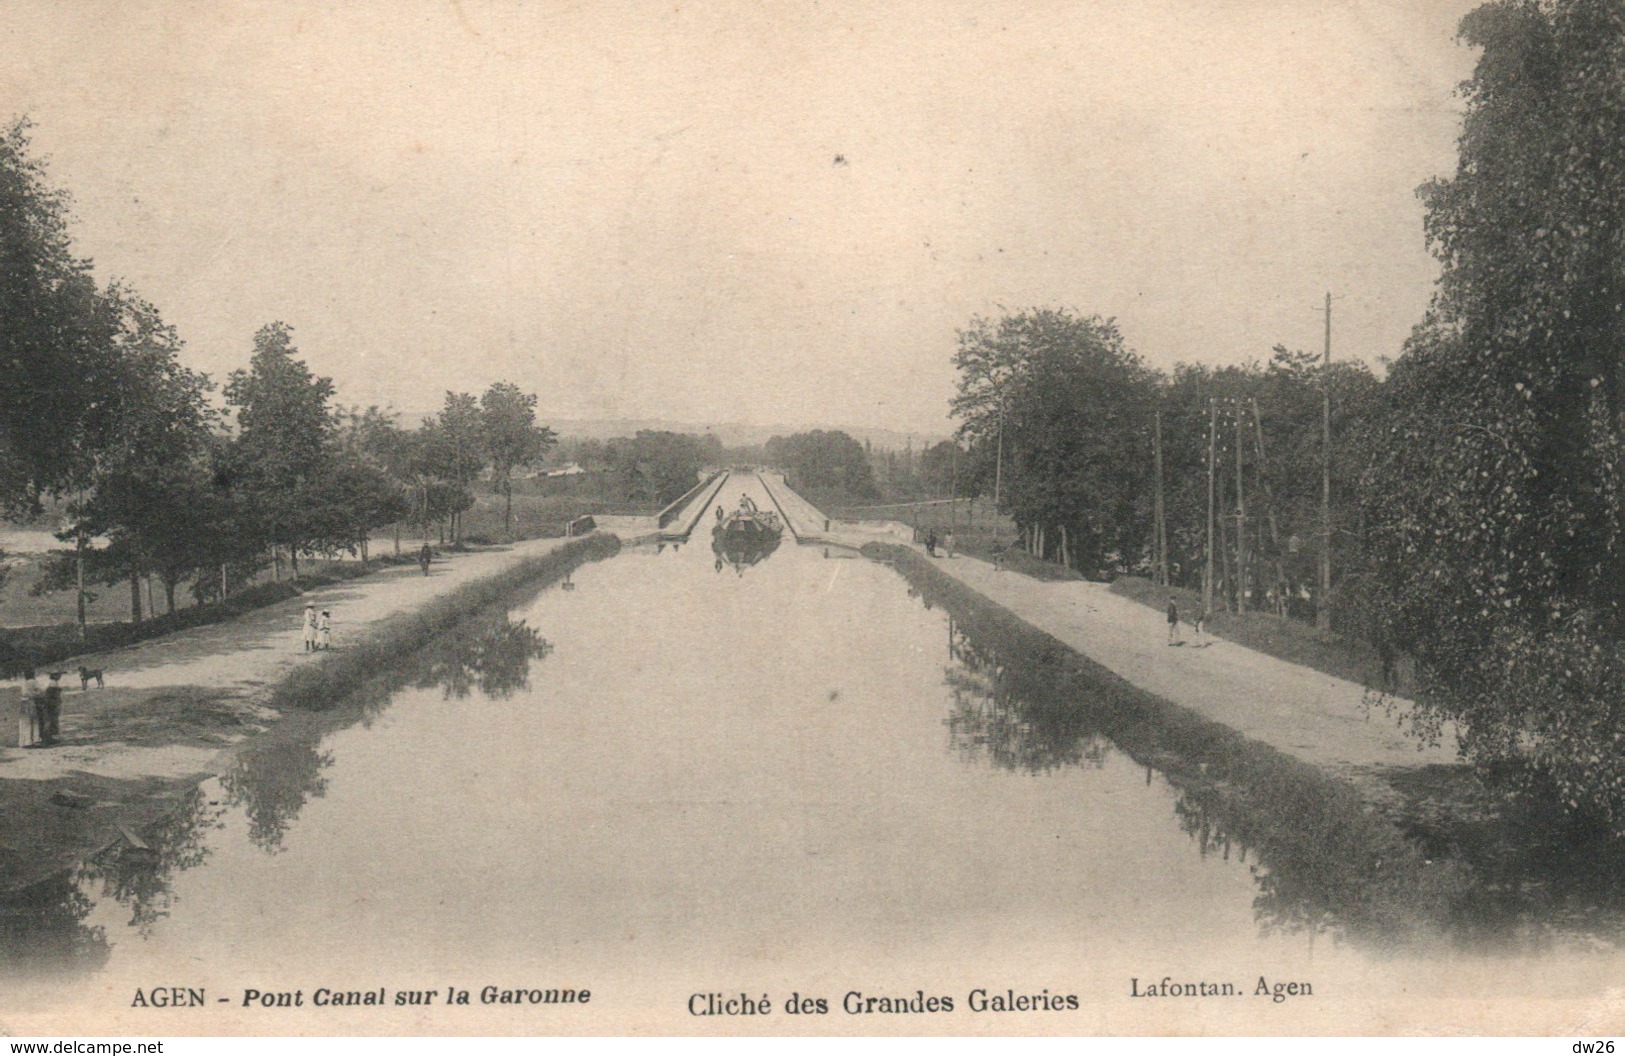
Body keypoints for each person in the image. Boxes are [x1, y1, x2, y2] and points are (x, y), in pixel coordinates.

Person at [17, 668, 41, 749]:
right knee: (34, 720)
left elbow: (23, 693)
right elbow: (39, 692)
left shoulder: (23, 683)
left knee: (25, 721)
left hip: (23, 702)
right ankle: (35, 739)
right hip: (31, 702)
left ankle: (25, 741)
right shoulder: (34, 682)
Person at [41, 672, 63, 744]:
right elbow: (52, 694)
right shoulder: (53, 683)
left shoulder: (52, 683)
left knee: (50, 721)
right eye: (59, 675)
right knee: (51, 721)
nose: (60, 676)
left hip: (50, 703)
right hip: (51, 704)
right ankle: (48, 738)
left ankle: (49, 737)